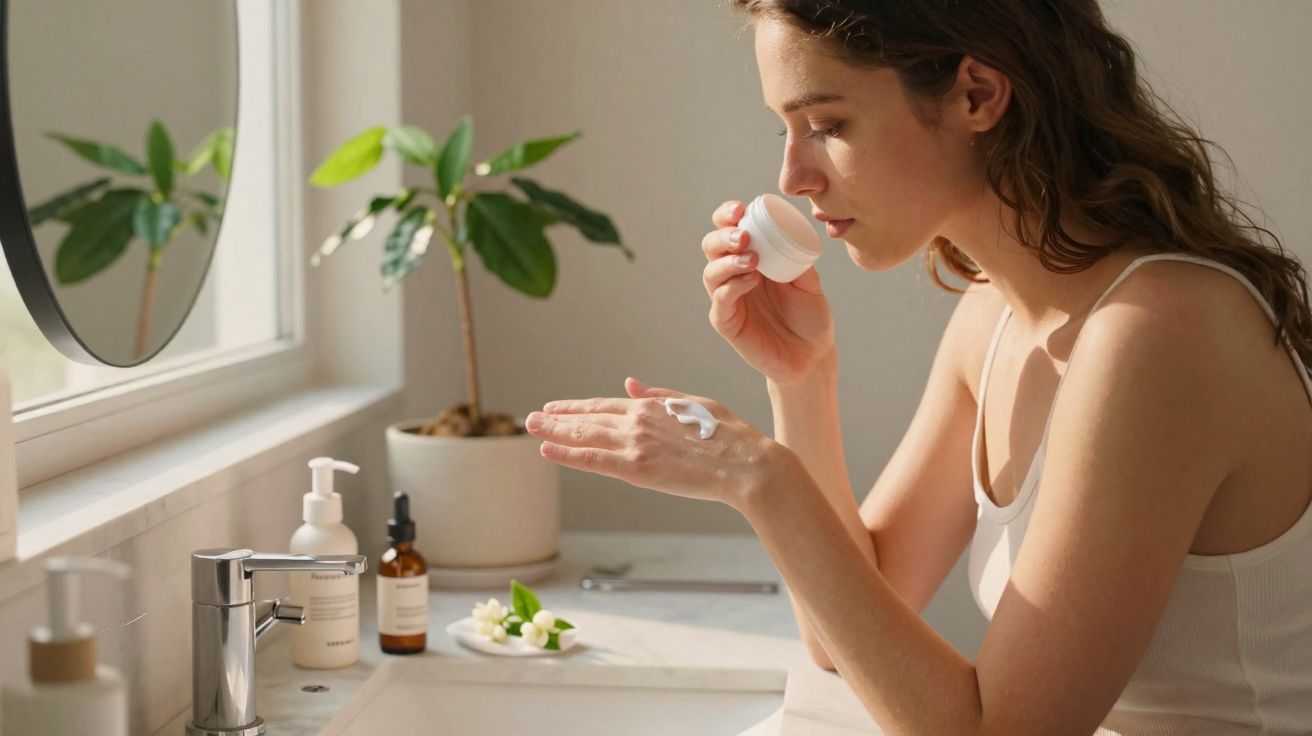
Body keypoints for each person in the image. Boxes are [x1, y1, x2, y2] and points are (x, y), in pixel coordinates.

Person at [524, 1, 1312, 733]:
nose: (793, 177)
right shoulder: (993, 317)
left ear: (976, 96)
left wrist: (757, 478)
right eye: (785, 132)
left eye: (827, 123)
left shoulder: (1161, 332)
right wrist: (800, 378)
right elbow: (843, 636)